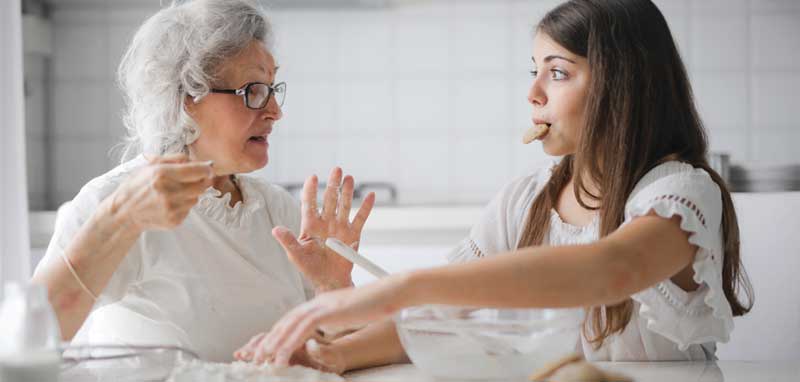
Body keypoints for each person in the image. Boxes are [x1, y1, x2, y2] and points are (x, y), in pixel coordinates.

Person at [236, 0, 754, 371]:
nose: (532, 93)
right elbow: (439, 319)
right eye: (535, 71)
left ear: (622, 84)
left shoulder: (681, 194)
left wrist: (405, 285)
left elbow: (613, 268)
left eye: (557, 72)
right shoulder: (524, 201)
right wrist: (337, 337)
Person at [31, 0, 373, 362]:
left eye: (273, 89)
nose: (275, 111)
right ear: (185, 97)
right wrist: (118, 219)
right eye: (253, 91)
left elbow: (330, 349)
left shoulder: (276, 210)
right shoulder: (114, 199)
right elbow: (29, 340)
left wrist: (334, 288)